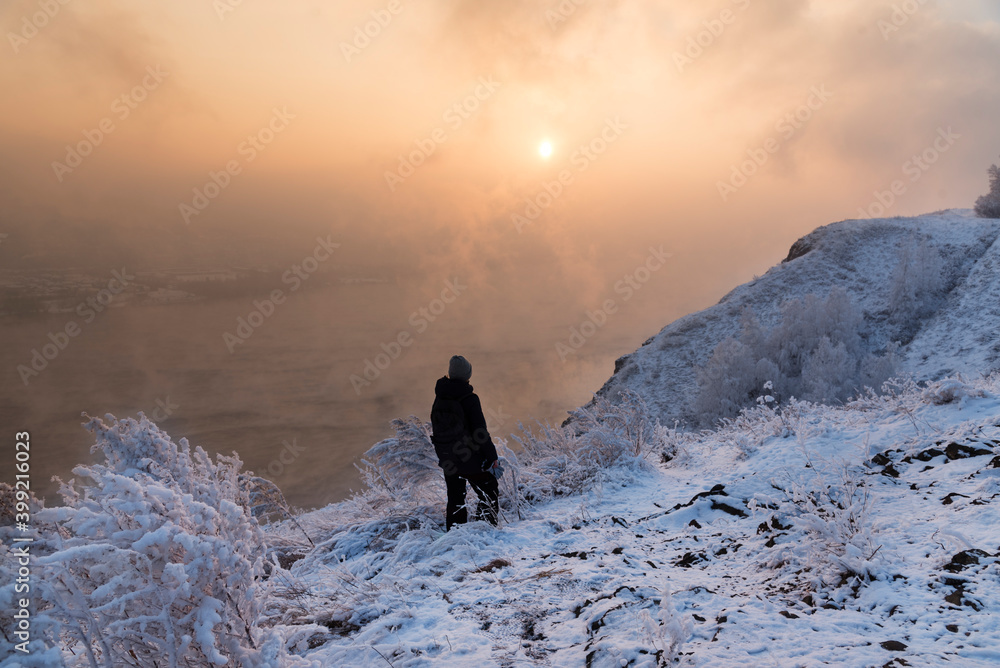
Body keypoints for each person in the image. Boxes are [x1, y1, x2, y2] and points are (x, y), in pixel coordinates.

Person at [430, 355, 500, 530]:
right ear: (467, 374)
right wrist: (492, 457)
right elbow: (480, 432)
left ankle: (455, 535)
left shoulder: (440, 397)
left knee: (455, 498)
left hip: (448, 458)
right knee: (489, 490)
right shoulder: (469, 398)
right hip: (469, 458)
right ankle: (484, 530)